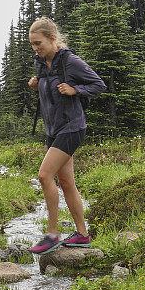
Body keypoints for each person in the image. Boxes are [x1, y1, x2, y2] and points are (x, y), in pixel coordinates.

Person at [26, 17, 106, 255]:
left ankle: (52, 234)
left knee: (44, 175)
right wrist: (36, 85)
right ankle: (82, 234)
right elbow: (50, 89)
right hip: (53, 129)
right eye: (32, 44)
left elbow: (99, 85)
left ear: (52, 38)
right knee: (66, 182)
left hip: (72, 127)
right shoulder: (42, 63)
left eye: (38, 43)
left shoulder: (70, 61)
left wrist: (76, 90)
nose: (35, 48)